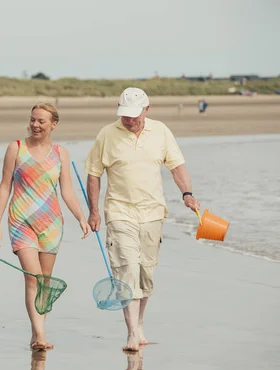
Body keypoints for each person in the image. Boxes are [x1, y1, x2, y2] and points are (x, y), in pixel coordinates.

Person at [85, 87, 200, 352]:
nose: (129, 119)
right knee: (128, 270)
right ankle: (132, 333)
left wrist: (187, 193)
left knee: (145, 274)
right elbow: (94, 174)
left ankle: (139, 324)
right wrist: (93, 211)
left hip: (152, 213)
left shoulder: (160, 131)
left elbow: (176, 166)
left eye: (134, 115)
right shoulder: (106, 134)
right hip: (119, 212)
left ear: (147, 109)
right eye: (124, 114)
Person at [0, 103, 90, 351]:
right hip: (20, 220)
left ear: (53, 124)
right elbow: (5, 186)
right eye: (33, 120)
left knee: (45, 281)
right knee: (33, 279)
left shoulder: (60, 153)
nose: (35, 125)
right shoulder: (16, 148)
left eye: (41, 121)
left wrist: (80, 216)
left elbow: (66, 190)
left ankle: (37, 333)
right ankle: (40, 334)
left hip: (51, 223)